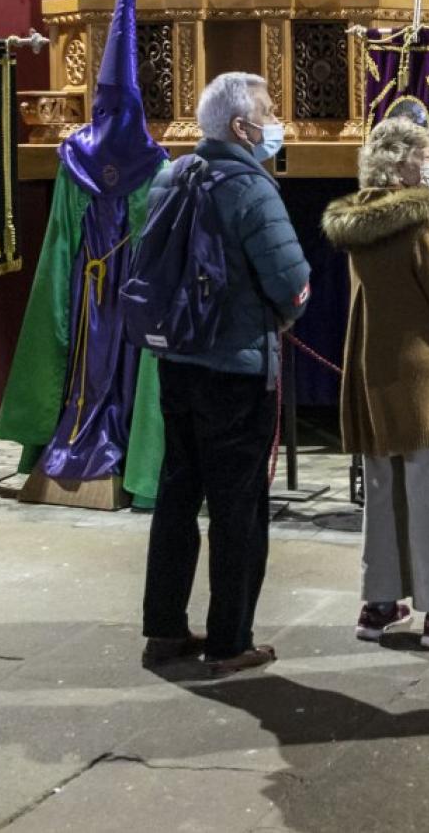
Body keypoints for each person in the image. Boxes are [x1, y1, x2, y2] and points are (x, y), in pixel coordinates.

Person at [139, 72, 310, 677]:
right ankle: (229, 640)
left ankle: (163, 629)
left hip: (177, 362)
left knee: (177, 496)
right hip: (236, 371)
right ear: (242, 127)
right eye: (268, 110)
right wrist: (283, 318)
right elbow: (293, 284)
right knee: (239, 509)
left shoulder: (169, 176)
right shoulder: (252, 189)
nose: (273, 121)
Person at [321, 116, 429, 650]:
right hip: (426, 379)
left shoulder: (360, 226)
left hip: (374, 374)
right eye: (426, 154)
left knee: (383, 491)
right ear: (401, 163)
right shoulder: (421, 225)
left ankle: (379, 604)